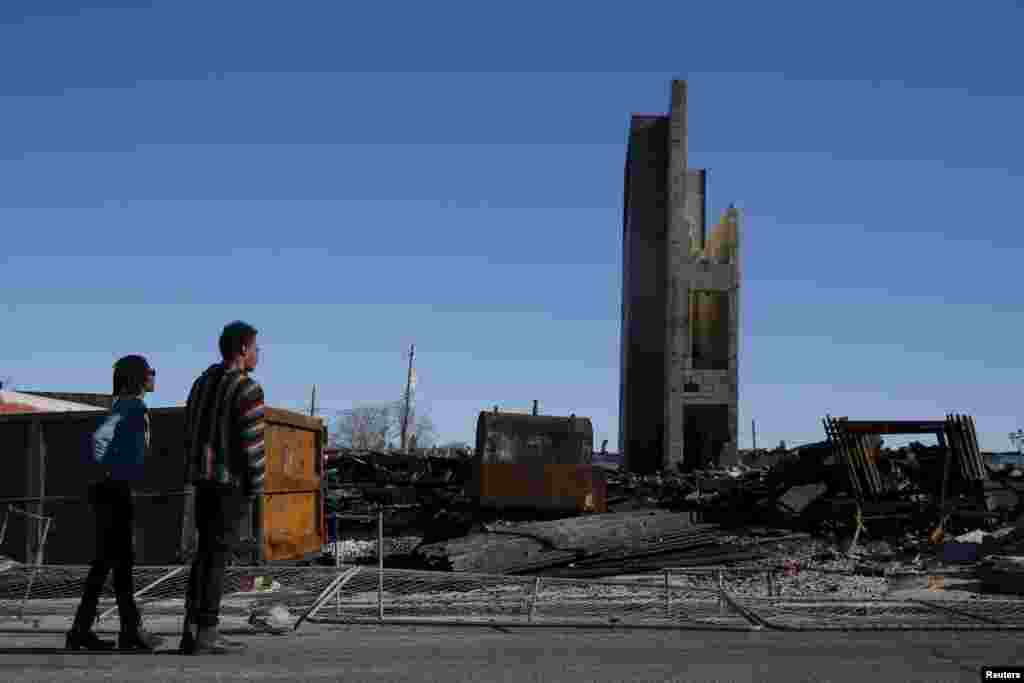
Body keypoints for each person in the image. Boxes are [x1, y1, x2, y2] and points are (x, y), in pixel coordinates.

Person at [66, 355, 165, 651]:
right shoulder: (134, 408)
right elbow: (105, 444)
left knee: (110, 563)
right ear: (139, 378)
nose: (154, 376)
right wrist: (121, 476)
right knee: (119, 562)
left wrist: (104, 472)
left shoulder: (122, 407)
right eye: (151, 372)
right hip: (117, 492)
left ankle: (86, 629)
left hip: (110, 490)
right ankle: (126, 630)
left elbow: (98, 444)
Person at [179, 321, 266, 655]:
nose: (259, 355)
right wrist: (256, 486)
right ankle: (208, 633)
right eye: (257, 348)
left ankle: (191, 630)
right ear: (243, 349)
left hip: (202, 481)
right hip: (230, 484)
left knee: (203, 556)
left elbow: (188, 430)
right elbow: (253, 446)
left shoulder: (201, 384)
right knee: (217, 558)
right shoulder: (248, 389)